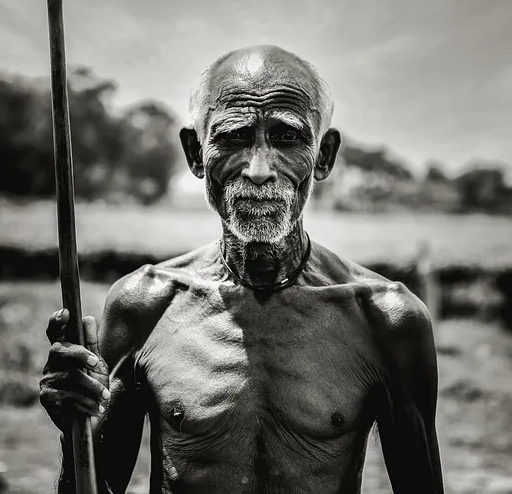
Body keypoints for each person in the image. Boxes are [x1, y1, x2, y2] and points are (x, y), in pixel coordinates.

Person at [39, 45, 445, 494]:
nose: (258, 169)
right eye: (233, 137)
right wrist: (72, 430)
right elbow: (94, 487)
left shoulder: (386, 320)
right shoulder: (145, 306)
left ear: (324, 155)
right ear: (196, 153)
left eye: (287, 138)